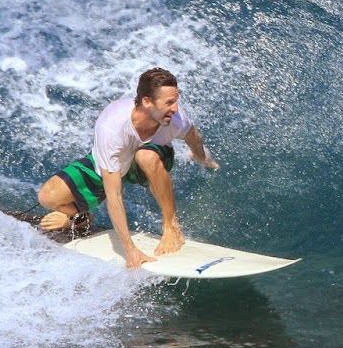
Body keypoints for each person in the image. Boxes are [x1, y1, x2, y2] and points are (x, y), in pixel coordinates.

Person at [37, 67, 219, 268]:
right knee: (48, 196)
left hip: (148, 157)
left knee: (146, 156)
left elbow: (193, 135)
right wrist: (130, 250)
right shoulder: (111, 129)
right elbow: (114, 196)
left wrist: (201, 157)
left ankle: (172, 227)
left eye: (176, 101)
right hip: (114, 163)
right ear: (147, 102)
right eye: (169, 103)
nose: (175, 108)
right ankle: (81, 218)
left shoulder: (174, 120)